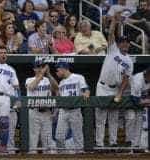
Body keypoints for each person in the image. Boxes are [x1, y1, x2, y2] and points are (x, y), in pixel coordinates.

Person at [95, 14, 133, 148]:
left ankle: (113, 142)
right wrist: (114, 22)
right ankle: (99, 144)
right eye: (122, 42)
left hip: (115, 89)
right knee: (100, 117)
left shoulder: (129, 61)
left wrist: (120, 93)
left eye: (127, 42)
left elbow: (125, 80)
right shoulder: (113, 50)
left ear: (129, 45)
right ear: (119, 43)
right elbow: (111, 34)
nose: (125, 44)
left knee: (113, 118)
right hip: (102, 87)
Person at [55, 61, 90, 153]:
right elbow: (59, 97)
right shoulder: (61, 83)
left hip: (75, 110)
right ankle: (63, 155)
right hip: (63, 111)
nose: (57, 73)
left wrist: (86, 93)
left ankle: (80, 154)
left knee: (78, 136)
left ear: (63, 69)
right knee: (59, 137)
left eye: (58, 70)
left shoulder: (78, 77)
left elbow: (86, 89)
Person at [26, 58, 59, 154]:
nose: (40, 69)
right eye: (38, 67)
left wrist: (48, 74)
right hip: (34, 111)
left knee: (47, 139)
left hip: (46, 112)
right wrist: (41, 74)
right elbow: (31, 87)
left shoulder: (48, 80)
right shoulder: (29, 79)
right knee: (33, 138)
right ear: (34, 69)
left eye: (42, 67)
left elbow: (56, 88)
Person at [128, 67, 150, 149]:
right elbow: (136, 101)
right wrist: (147, 101)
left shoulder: (147, 78)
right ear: (147, 75)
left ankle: (137, 146)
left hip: (142, 99)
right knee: (131, 119)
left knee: (140, 121)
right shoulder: (138, 80)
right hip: (129, 98)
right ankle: (130, 144)